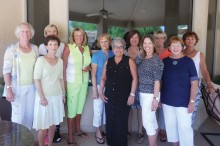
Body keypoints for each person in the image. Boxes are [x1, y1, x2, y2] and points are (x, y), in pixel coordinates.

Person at [100, 38, 138, 146]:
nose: (118, 49)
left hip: (124, 96)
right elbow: (103, 78)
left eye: (121, 47)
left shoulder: (129, 60)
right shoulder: (109, 61)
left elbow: (135, 78)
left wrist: (132, 95)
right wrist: (101, 93)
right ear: (112, 48)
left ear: (124, 48)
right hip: (109, 96)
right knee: (110, 119)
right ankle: (111, 143)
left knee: (121, 121)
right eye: (116, 47)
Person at [161, 36, 198, 146]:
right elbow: (160, 81)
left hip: (184, 101)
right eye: (173, 45)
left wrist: (192, 102)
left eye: (178, 45)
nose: (175, 47)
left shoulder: (189, 62)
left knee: (185, 127)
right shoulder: (165, 62)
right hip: (167, 101)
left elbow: (194, 83)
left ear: (182, 47)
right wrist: (158, 98)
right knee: (170, 125)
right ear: (169, 47)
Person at [3, 22, 38, 130]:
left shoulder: (35, 49)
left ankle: (26, 141)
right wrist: (9, 89)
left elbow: (38, 70)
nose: (25, 34)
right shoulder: (11, 49)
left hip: (32, 88)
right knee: (18, 118)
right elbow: (6, 71)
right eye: (22, 31)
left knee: (29, 116)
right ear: (18, 34)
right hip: (17, 88)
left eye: (27, 31)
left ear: (31, 33)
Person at [33, 36, 65, 146]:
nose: (53, 47)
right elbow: (36, 79)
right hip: (44, 97)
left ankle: (50, 144)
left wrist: (63, 93)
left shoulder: (60, 61)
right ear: (46, 46)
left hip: (57, 96)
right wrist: (41, 97)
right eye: (50, 44)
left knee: (53, 124)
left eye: (55, 44)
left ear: (58, 47)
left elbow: (61, 78)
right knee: (43, 126)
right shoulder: (41, 60)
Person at [62, 27, 91, 145]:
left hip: (84, 82)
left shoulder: (87, 48)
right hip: (72, 82)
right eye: (77, 35)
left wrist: (88, 68)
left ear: (84, 37)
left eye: (81, 35)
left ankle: (78, 130)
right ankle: (70, 135)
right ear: (73, 37)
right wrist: (63, 85)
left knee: (80, 108)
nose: (79, 37)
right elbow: (62, 67)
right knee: (72, 109)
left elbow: (89, 64)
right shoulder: (68, 47)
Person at [136, 35, 164, 146]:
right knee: (152, 121)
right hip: (142, 93)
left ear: (154, 44)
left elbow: (157, 81)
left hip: (151, 94)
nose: (147, 46)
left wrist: (156, 99)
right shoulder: (141, 57)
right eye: (145, 43)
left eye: (150, 43)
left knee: (147, 123)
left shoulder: (156, 60)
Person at [182, 31, 215, 124]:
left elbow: (204, 71)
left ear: (196, 40)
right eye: (188, 39)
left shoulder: (199, 54)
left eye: (192, 39)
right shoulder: (180, 52)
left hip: (194, 87)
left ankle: (186, 133)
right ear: (184, 41)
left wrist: (209, 84)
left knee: (191, 112)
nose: (190, 41)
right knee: (181, 111)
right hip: (181, 86)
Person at [91, 34, 114, 144]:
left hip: (111, 86)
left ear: (109, 42)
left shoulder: (113, 53)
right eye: (102, 42)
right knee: (98, 109)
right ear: (99, 43)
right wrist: (95, 90)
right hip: (100, 86)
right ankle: (97, 131)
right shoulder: (96, 56)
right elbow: (93, 74)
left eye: (106, 41)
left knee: (108, 110)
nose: (104, 44)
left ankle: (105, 130)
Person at [125, 30, 145, 144]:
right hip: (127, 83)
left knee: (139, 109)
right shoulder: (125, 51)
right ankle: (127, 131)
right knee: (128, 108)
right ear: (129, 39)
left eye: (136, 37)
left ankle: (140, 132)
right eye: (132, 37)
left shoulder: (143, 51)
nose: (134, 39)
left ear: (139, 39)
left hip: (141, 84)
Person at [153, 30, 171, 142]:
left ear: (165, 39)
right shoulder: (151, 51)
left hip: (166, 83)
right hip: (153, 84)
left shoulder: (170, 52)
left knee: (163, 107)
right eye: (157, 38)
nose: (159, 40)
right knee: (152, 106)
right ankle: (153, 129)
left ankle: (162, 129)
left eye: (161, 37)